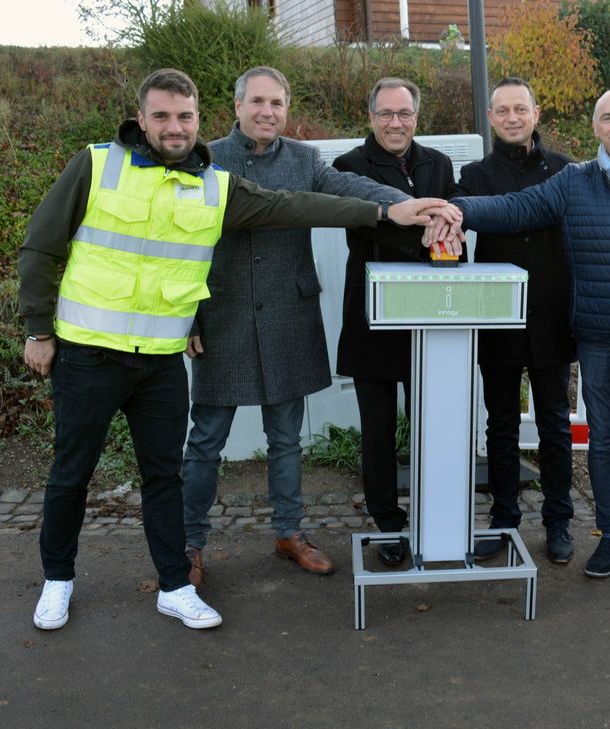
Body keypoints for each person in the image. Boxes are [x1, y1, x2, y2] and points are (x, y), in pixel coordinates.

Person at [18, 68, 453, 631]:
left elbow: (314, 200)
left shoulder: (251, 171)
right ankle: (107, 568)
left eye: (183, 117)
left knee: (245, 450)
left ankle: (234, 555)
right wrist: (40, 329)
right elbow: (54, 247)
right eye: (163, 116)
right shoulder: (144, 163)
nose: (175, 126)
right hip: (154, 337)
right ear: (233, 105)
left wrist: (394, 207)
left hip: (220, 340)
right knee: (148, 456)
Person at [440, 88, 610, 584]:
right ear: (595, 127)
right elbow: (516, 208)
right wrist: (456, 211)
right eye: (607, 118)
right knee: (603, 443)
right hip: (598, 337)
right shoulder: (573, 181)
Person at [181, 67, 417, 586]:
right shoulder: (208, 160)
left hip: (289, 316)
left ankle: (289, 532)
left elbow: (346, 187)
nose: (268, 112)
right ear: (237, 106)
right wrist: (190, 314)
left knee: (287, 440)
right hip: (224, 317)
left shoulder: (305, 160)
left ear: (287, 110)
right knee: (206, 442)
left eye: (277, 104)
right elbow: (184, 246)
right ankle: (189, 543)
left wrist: (400, 204)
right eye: (258, 102)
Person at [332, 77, 457, 566]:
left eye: (404, 113)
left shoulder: (439, 165)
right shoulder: (349, 167)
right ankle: (388, 525)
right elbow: (367, 226)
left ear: (416, 117)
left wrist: (439, 229)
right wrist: (427, 232)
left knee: (433, 428)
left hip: (431, 319)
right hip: (373, 320)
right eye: (386, 113)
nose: (395, 123)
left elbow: (453, 221)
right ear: (371, 117)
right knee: (378, 431)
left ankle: (432, 517)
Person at [454, 77, 576, 564]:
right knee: (500, 424)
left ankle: (559, 520)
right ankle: (503, 518)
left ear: (536, 113)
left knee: (555, 424)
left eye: (519, 109)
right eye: (501, 110)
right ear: (490, 117)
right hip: (497, 315)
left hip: (551, 313)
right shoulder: (473, 177)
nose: (511, 117)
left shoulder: (567, 171)